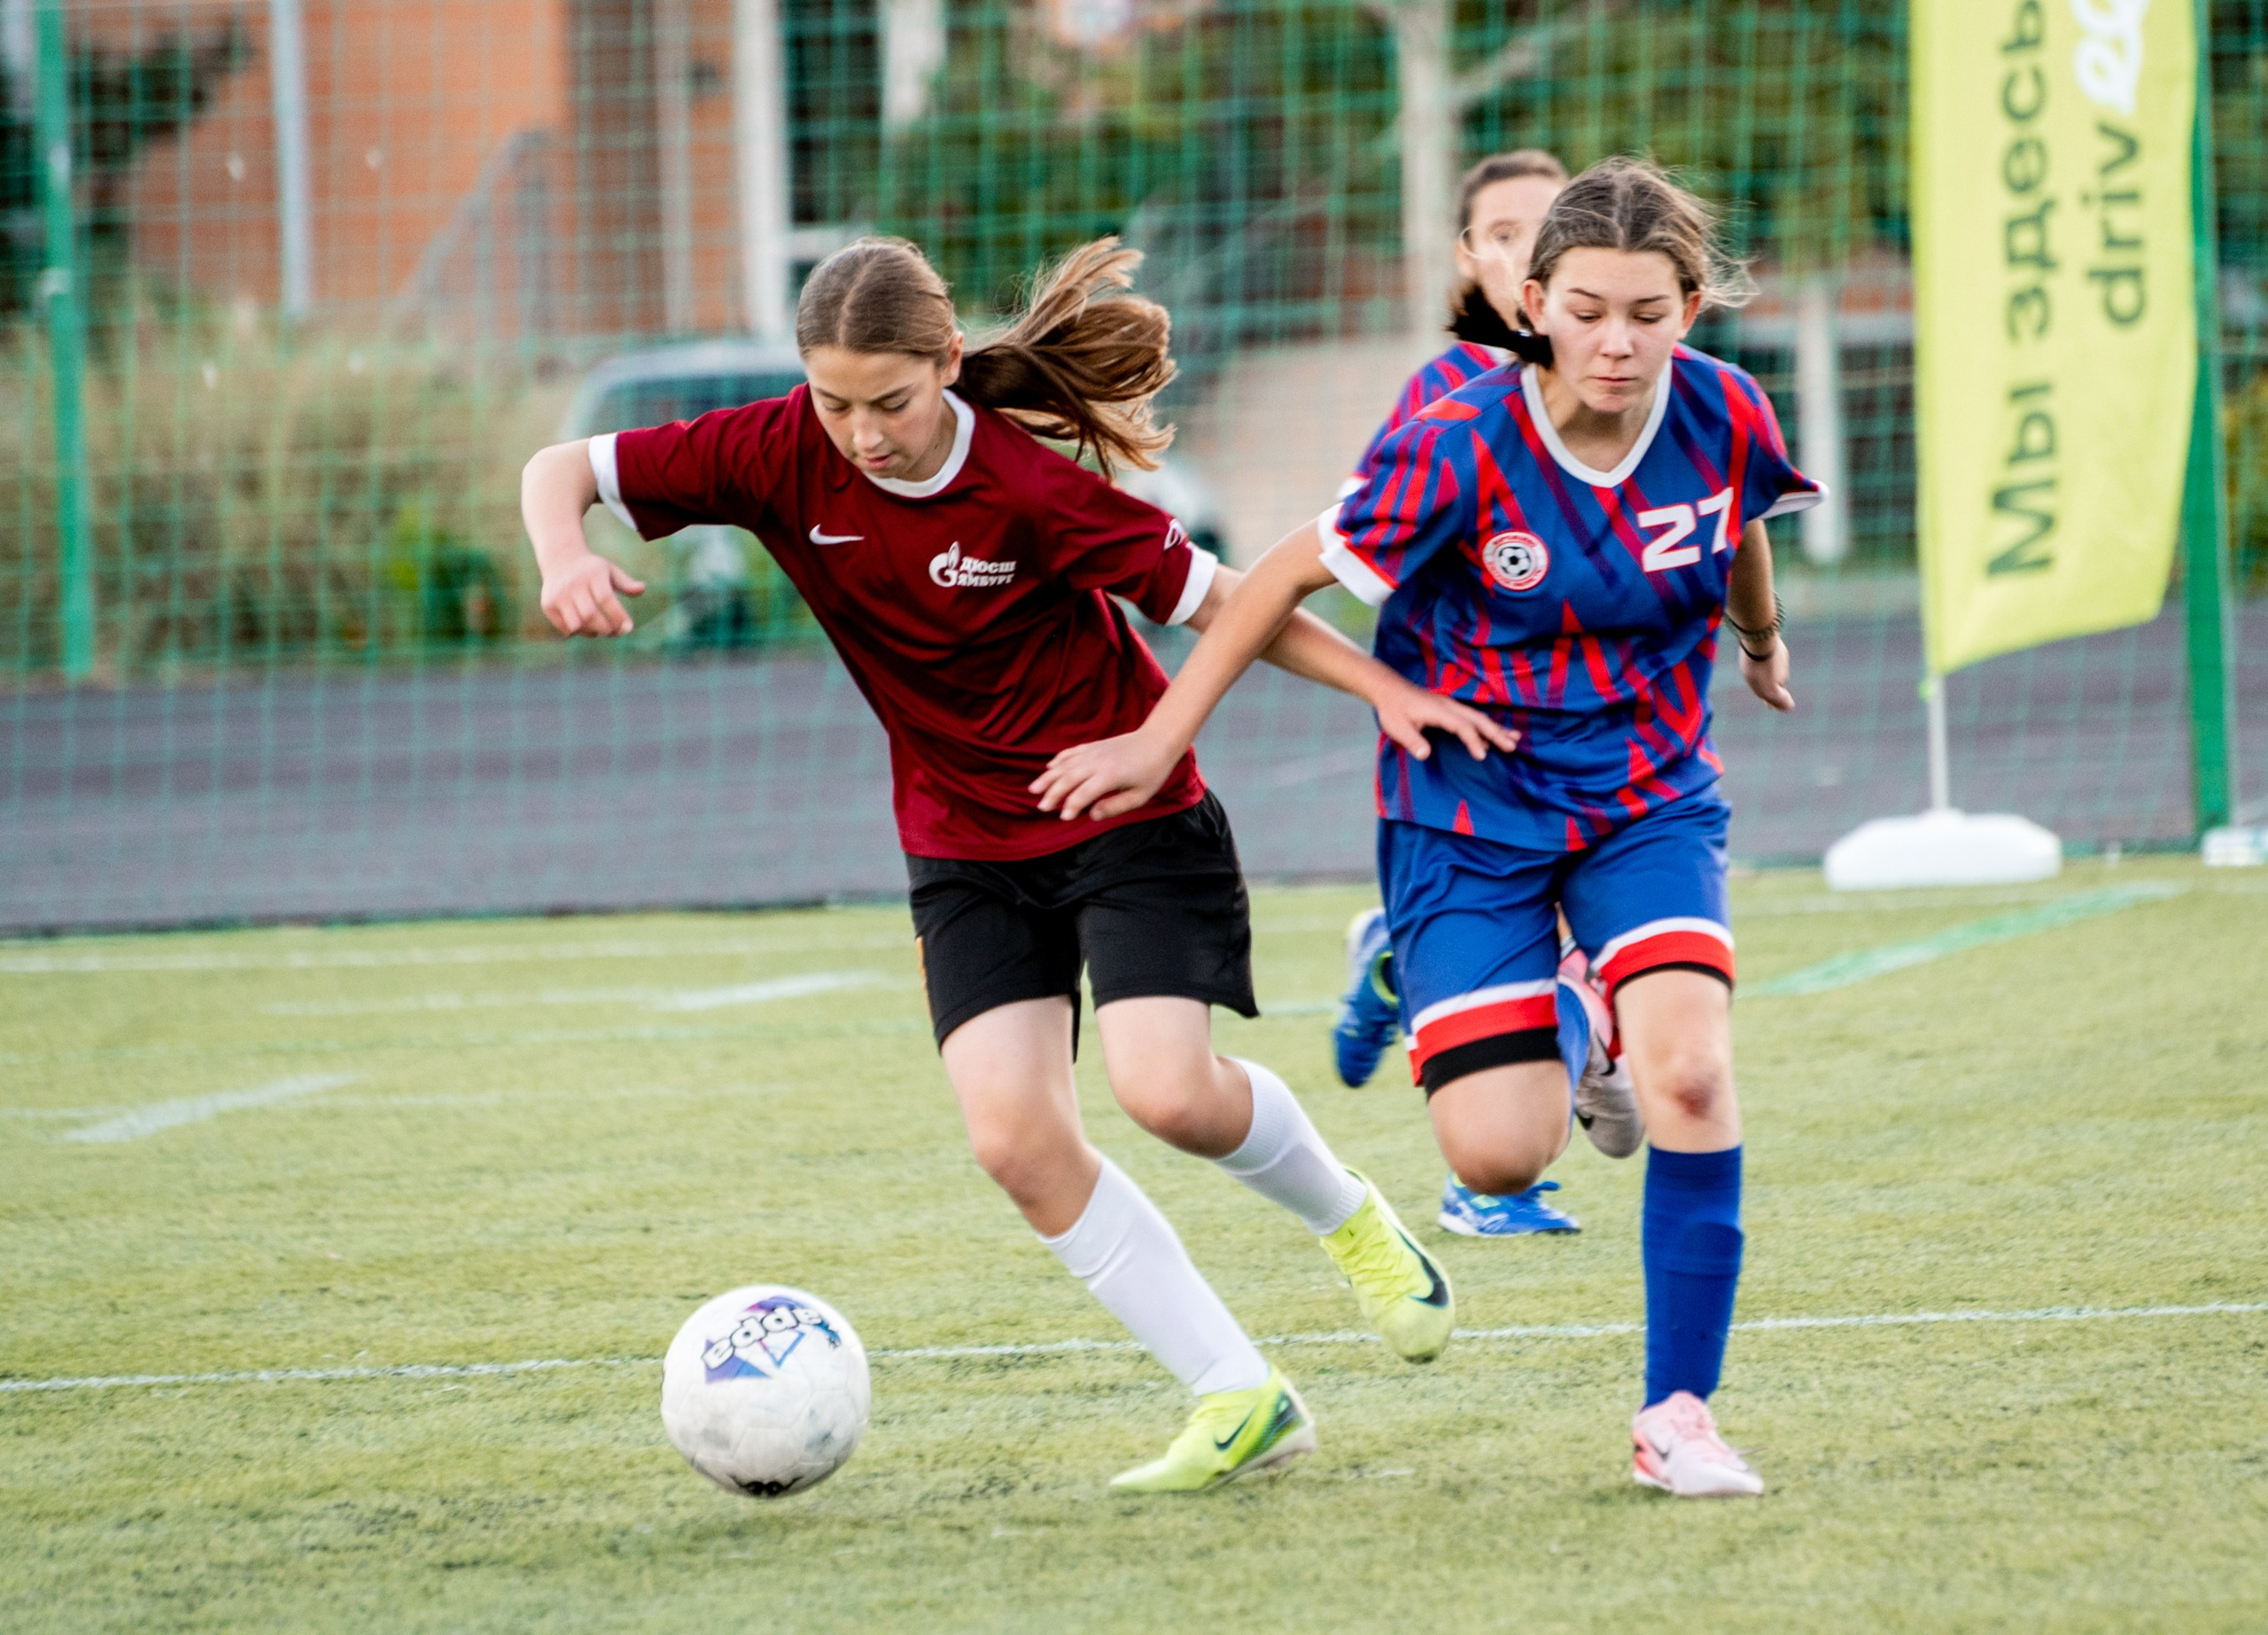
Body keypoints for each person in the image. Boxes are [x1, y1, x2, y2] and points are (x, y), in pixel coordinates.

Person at [520, 236, 1508, 1494]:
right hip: (961, 843)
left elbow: (1227, 602)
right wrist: (565, 554)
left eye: (889, 401)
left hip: (1126, 815)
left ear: (945, 364)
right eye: (834, 402)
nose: (862, 434)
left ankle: (1354, 1221)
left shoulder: (1029, 489)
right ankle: (1239, 1395)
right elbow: (563, 468)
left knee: (1171, 1095)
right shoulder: (774, 449)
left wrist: (1382, 688)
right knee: (1016, 1143)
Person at [1033, 158, 1821, 1498]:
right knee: (1496, 1152)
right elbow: (1278, 574)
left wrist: (1757, 634)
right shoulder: (1459, 437)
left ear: (1694, 305)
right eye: (1585, 309)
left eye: (1648, 311)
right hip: (1469, 805)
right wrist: (1161, 737)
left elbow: (1737, 517)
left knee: (1692, 1077)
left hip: (1648, 790)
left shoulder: (1726, 411)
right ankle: (1576, 1012)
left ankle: (1677, 1413)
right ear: (1529, 300)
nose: (1617, 341)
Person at [1328, 147, 1643, 1240]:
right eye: (1500, 234)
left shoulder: (1624, 392)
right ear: (1471, 258)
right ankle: (1490, 1163)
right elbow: (1357, 560)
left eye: (1545, 228)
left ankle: (1418, 977)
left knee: (1612, 949)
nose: (1524, 250)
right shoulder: (1444, 398)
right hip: (1470, 754)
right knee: (1543, 959)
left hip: (1595, 747)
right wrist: (1397, 687)